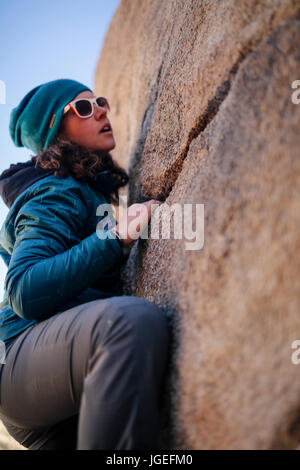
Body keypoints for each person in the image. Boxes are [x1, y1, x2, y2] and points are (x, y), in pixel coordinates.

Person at [0, 79, 170, 450]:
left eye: (101, 102)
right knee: (129, 322)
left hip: (64, 379)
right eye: (83, 107)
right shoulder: (53, 191)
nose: (102, 110)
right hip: (25, 364)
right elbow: (23, 289)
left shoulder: (87, 190)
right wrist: (116, 236)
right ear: (55, 130)